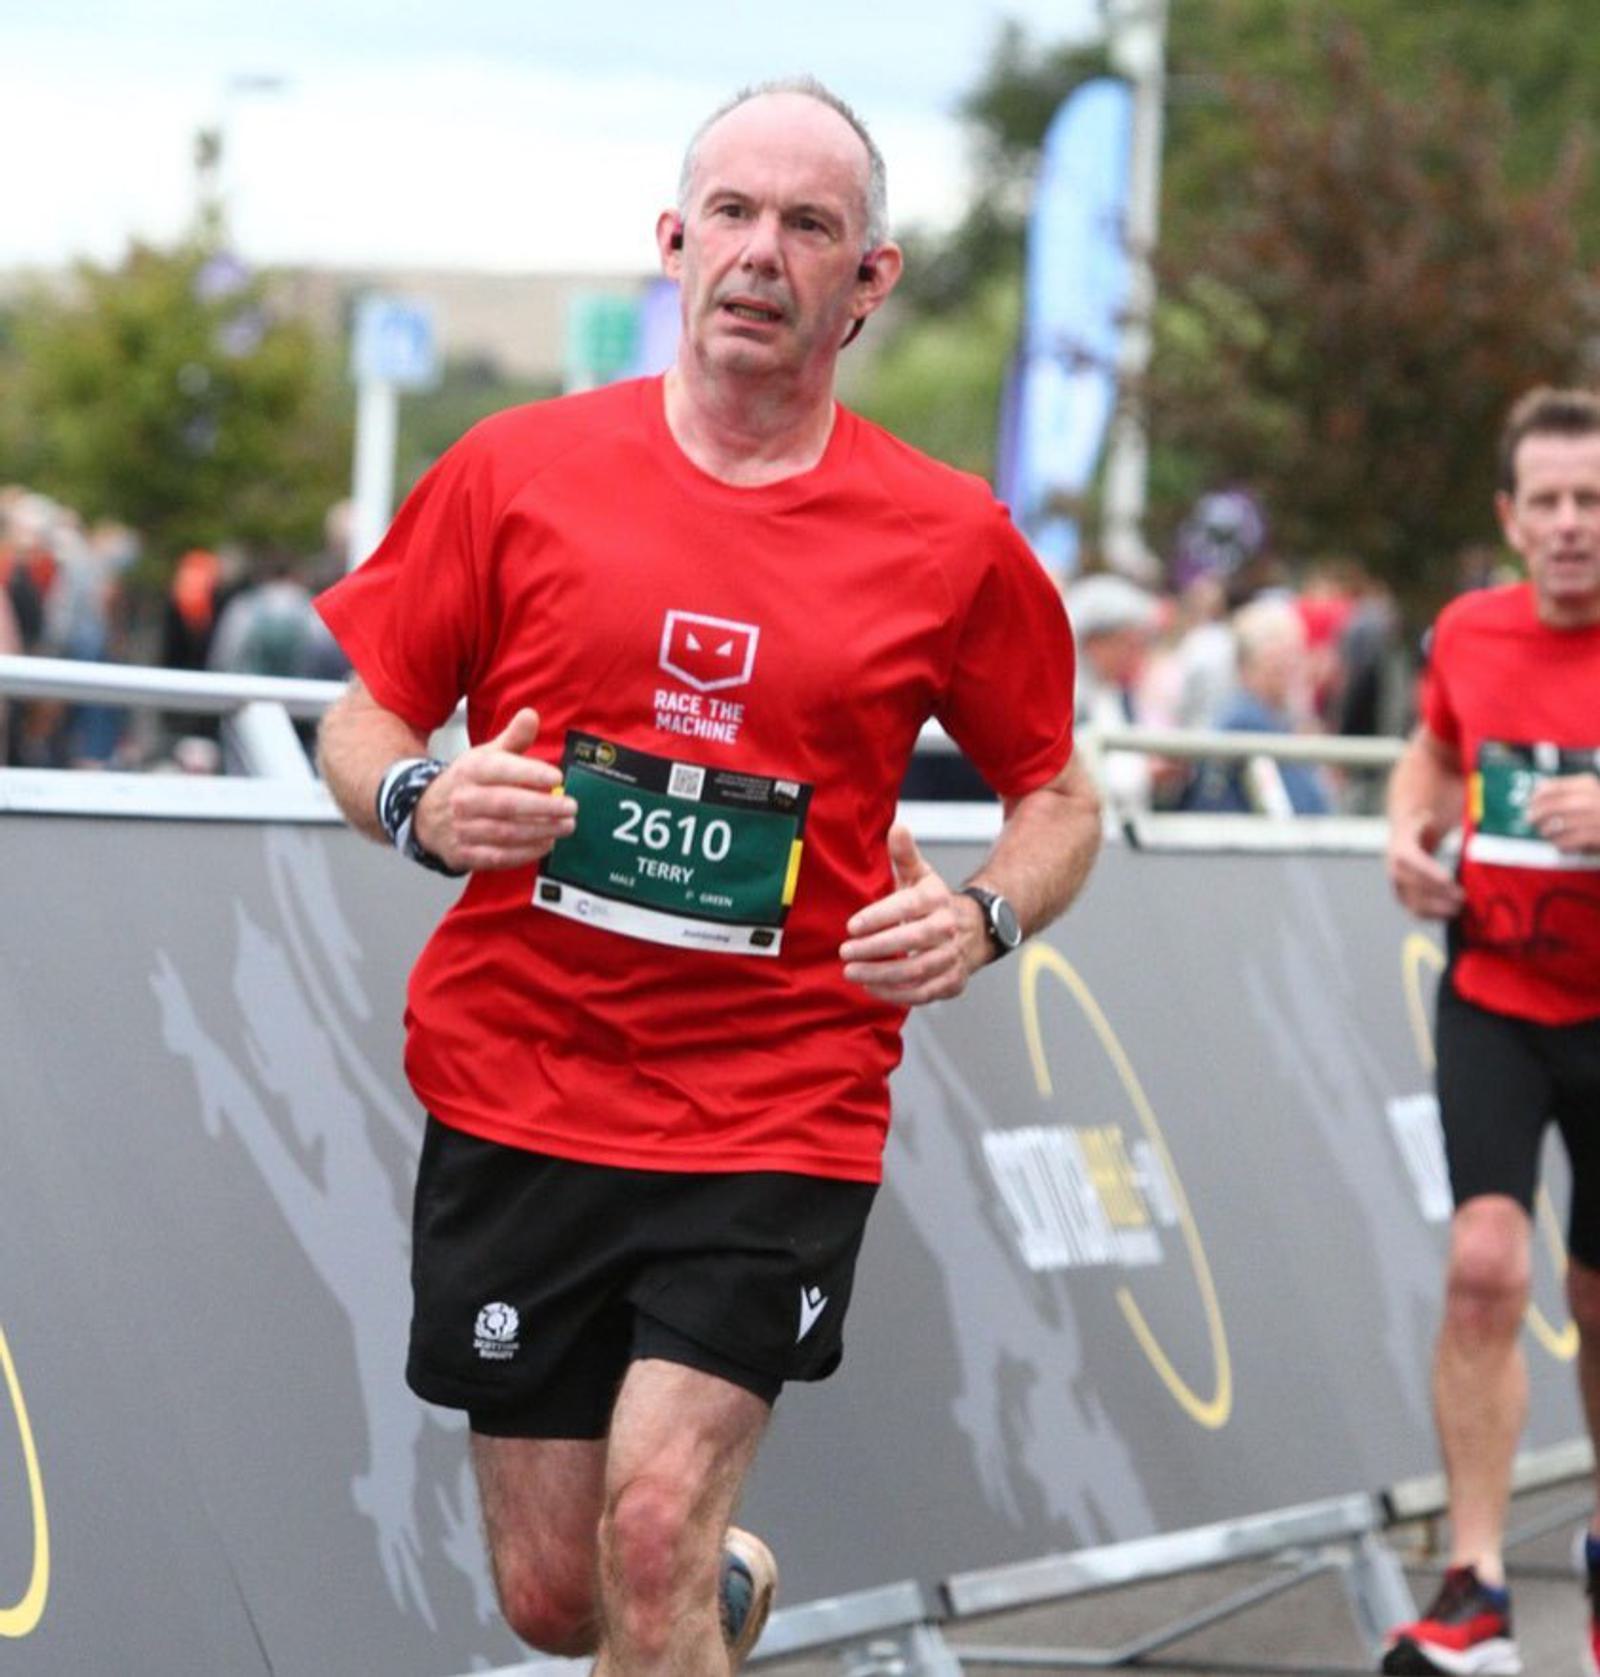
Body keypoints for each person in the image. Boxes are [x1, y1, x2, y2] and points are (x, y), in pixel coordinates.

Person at [313, 77, 1102, 1677]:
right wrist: (420, 795)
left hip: (777, 1099)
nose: (763, 254)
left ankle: (682, 1586)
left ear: (868, 279)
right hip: (521, 1081)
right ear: (672, 246)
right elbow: (363, 711)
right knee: (558, 1592)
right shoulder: (514, 470)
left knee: (650, 1532)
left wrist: (981, 913)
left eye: (811, 225)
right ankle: (707, 1604)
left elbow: (1060, 796)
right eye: (732, 216)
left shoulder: (948, 538)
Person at [1382, 387, 1600, 1677]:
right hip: (1498, 994)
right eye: (1551, 504)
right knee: (1484, 1262)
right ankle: (1472, 1587)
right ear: (1512, 519)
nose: (1572, 526)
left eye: (1594, 502)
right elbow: (1429, 749)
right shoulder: (1469, 629)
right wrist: (1404, 831)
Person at [1180, 595, 1334, 816]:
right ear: (1248, 664)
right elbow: (1289, 808)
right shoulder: (1245, 721)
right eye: (1279, 663)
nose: (1291, 668)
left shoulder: (1271, 718)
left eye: (1294, 656)